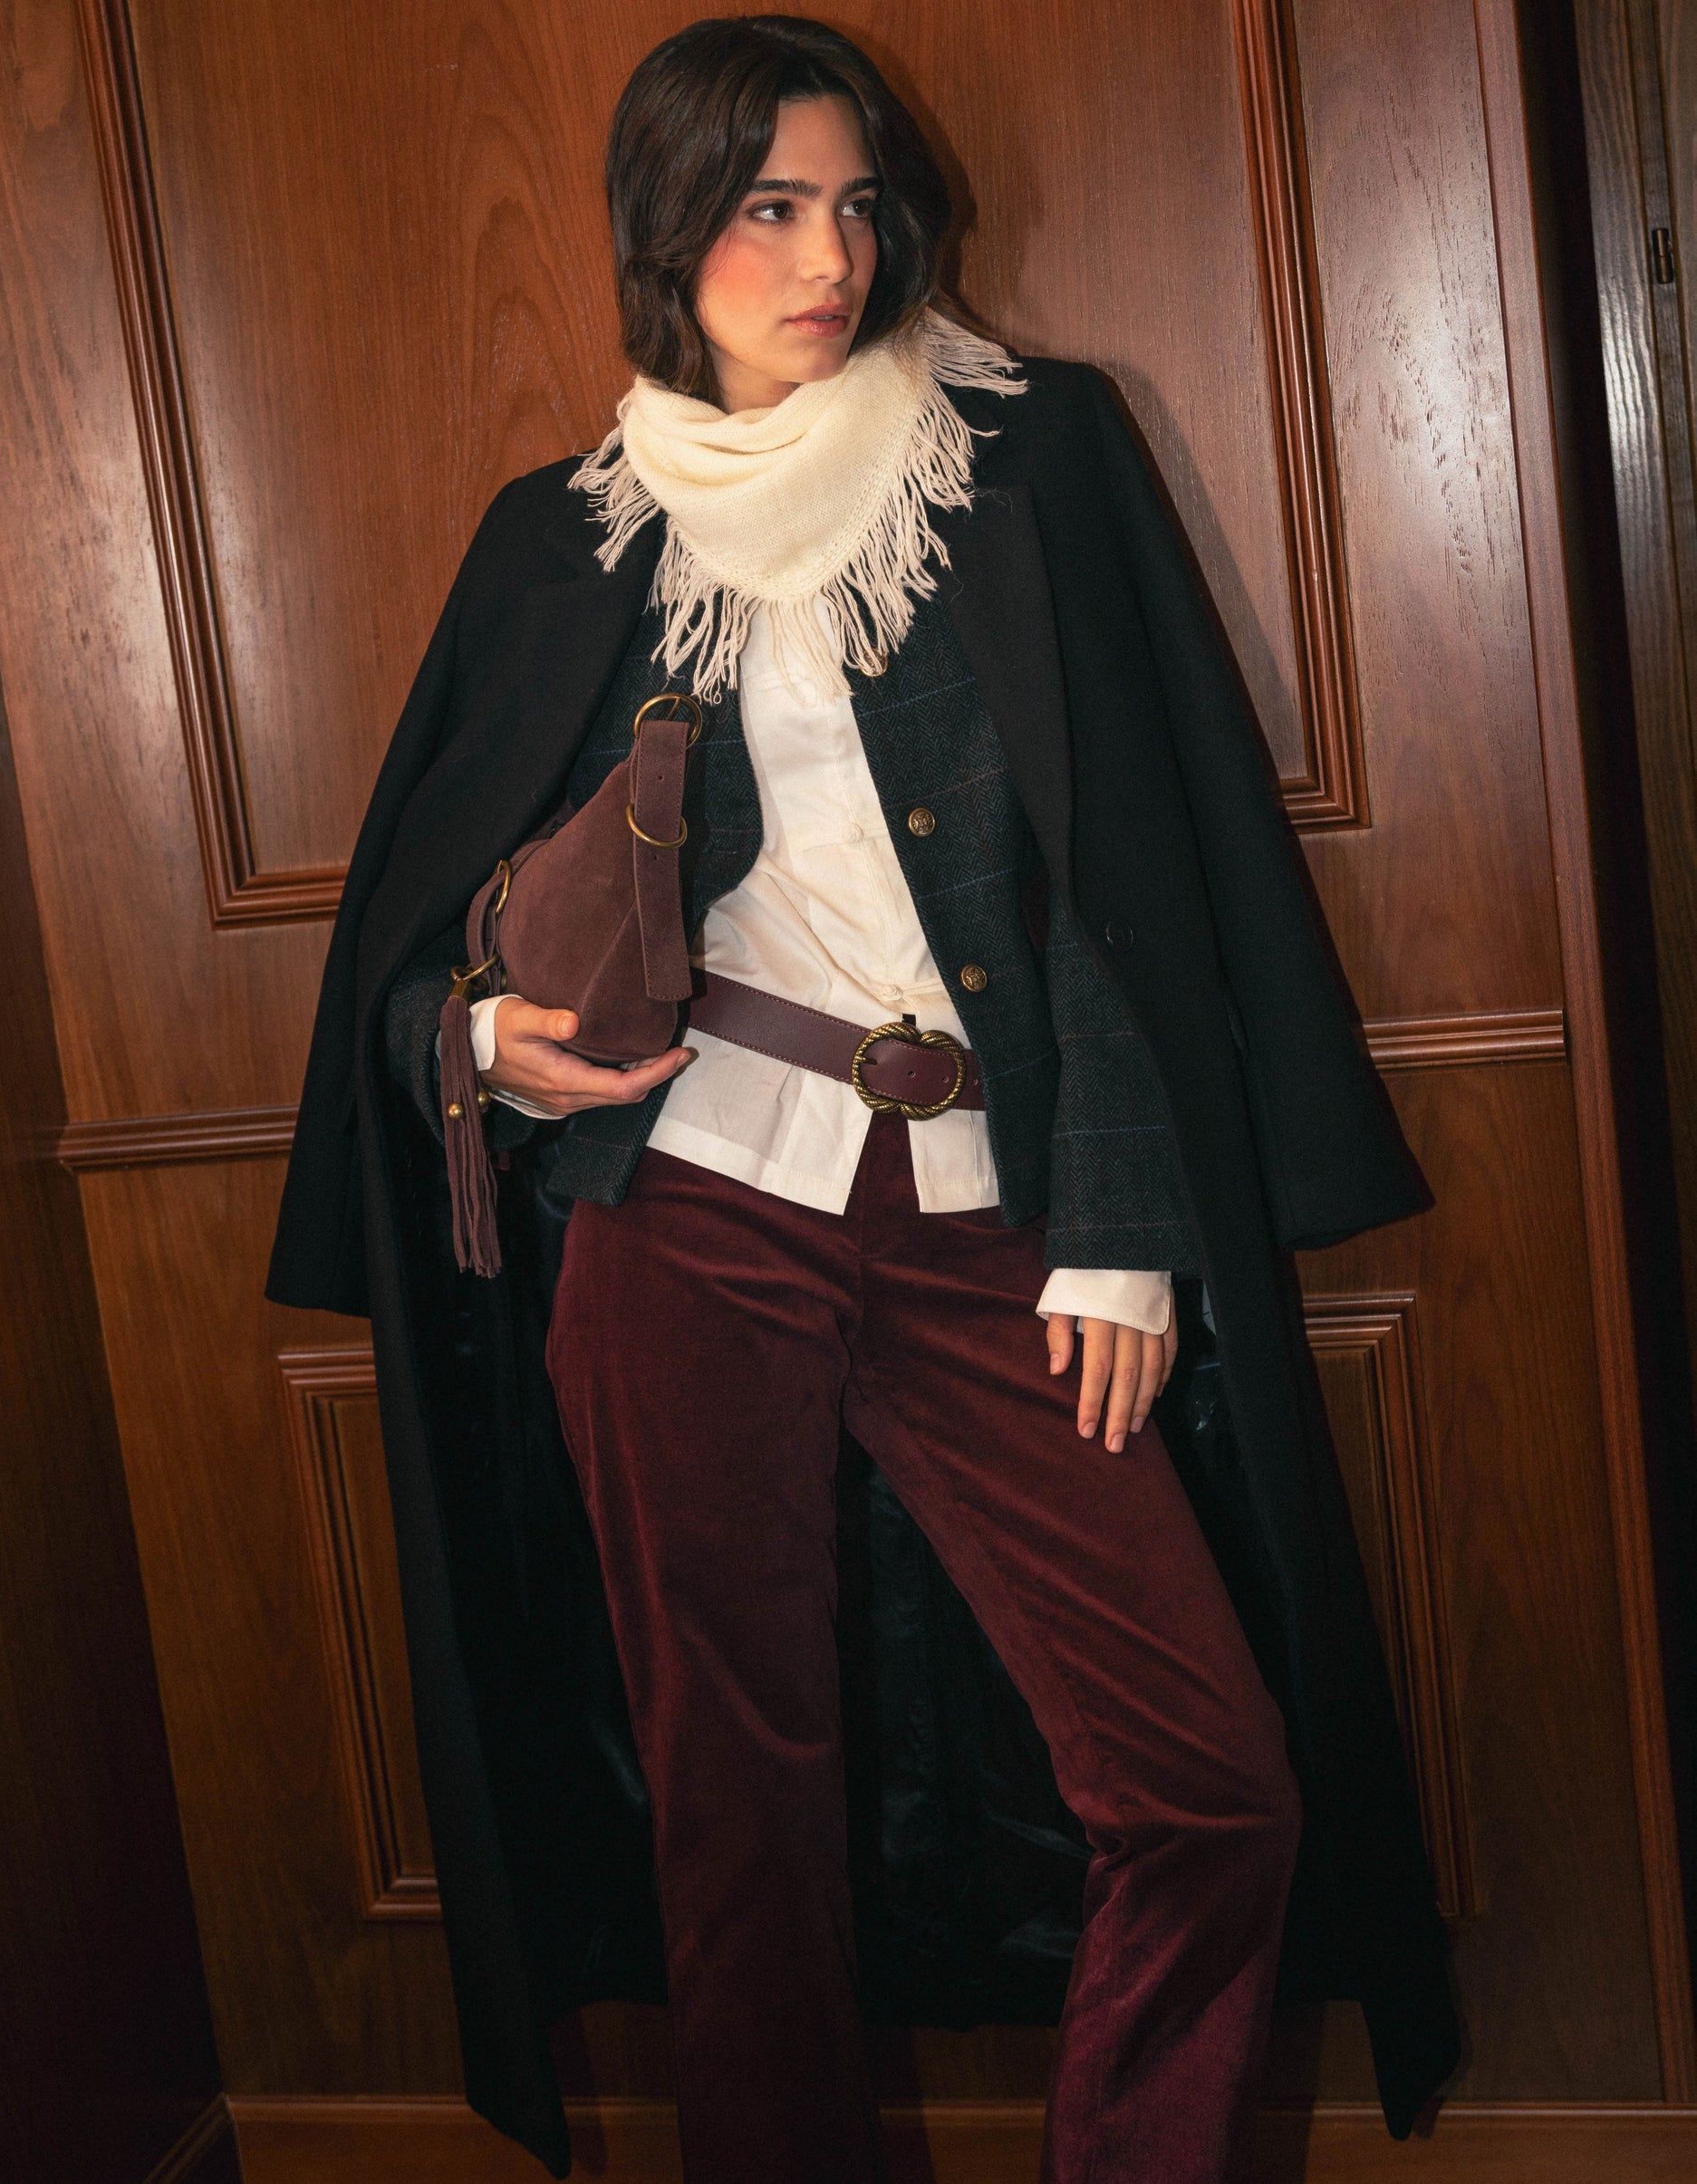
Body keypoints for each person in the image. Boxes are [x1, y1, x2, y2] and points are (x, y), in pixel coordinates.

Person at [268, 16, 1460, 2181]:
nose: (828, 256)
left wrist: (1120, 1228)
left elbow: (1129, 864)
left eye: (853, 203)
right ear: (666, 229)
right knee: (732, 1821)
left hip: (987, 1213)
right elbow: (414, 938)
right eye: (767, 207)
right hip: (680, 1209)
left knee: (1207, 1785)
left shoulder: (1027, 458)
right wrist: (475, 1037)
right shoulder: (564, 539)